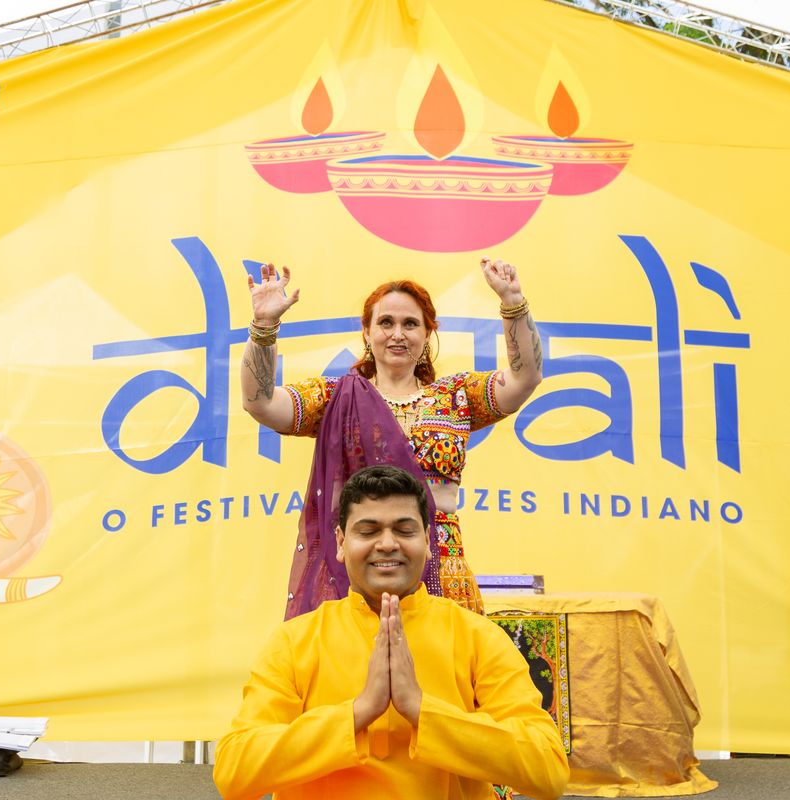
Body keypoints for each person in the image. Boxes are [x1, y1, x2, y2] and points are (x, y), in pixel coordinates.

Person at [213, 465, 569, 800]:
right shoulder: (295, 641)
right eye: (368, 531)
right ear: (340, 542)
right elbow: (235, 771)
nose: (387, 544)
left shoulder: (477, 637)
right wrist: (359, 711)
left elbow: (547, 770)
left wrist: (420, 709)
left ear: (428, 540)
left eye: (404, 529)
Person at [240, 258, 542, 617]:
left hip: (441, 572)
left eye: (410, 324)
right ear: (367, 332)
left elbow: (525, 379)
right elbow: (260, 402)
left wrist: (513, 302)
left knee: (443, 671)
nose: (398, 334)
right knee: (355, 671)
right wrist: (264, 324)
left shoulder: (455, 396)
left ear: (427, 333)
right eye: (386, 323)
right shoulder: (336, 398)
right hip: (360, 574)